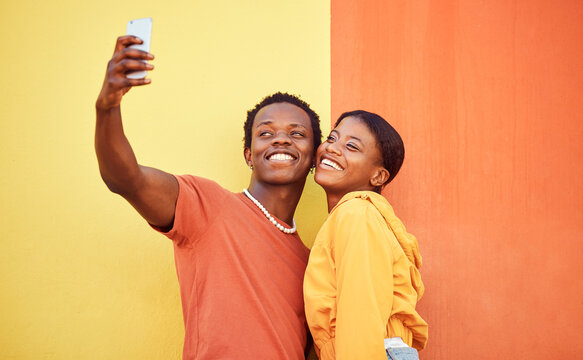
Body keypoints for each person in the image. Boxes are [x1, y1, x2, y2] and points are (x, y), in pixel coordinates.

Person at [95, 35, 323, 360]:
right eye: (266, 133)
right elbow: (124, 178)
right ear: (249, 154)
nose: (281, 141)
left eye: (297, 134)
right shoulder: (208, 205)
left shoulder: (312, 260)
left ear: (314, 157)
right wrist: (107, 107)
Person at [303, 110, 428, 360]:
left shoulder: (356, 214)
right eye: (332, 138)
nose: (333, 149)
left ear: (378, 176)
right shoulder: (357, 216)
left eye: (351, 146)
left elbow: (360, 314)